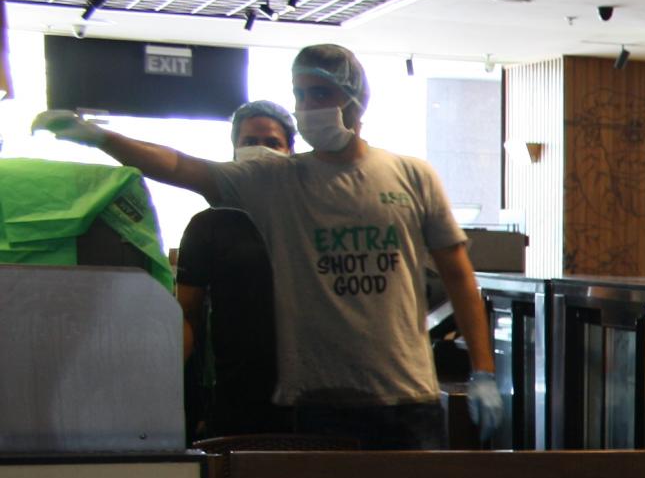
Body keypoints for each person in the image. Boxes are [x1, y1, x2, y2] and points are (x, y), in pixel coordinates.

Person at [35, 44, 503, 449]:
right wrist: (100, 137)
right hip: (321, 403)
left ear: (356, 100)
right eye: (299, 94)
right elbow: (181, 165)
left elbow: (459, 275)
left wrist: (483, 370)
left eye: (320, 93)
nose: (307, 104)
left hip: (409, 398)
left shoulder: (411, 175)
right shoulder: (277, 180)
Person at [175, 101, 295, 440]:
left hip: (312, 395)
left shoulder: (312, 218)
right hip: (236, 393)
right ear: (234, 150)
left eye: (273, 143)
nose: (261, 150)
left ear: (291, 151)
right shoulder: (209, 225)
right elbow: (187, 315)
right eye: (249, 142)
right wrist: (173, 389)